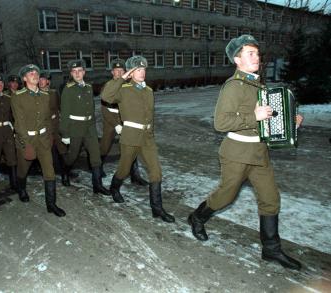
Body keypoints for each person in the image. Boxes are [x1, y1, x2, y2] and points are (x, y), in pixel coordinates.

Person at [187, 35, 302, 270]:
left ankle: (271, 250)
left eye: (257, 53)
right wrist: (254, 117)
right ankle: (197, 217)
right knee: (225, 196)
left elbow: (266, 122)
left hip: (259, 154)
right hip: (236, 153)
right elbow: (221, 122)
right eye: (250, 53)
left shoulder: (257, 85)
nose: (256, 57)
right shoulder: (234, 86)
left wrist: (291, 123)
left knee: (271, 200)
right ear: (237, 59)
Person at [101, 56, 175, 223]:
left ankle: (157, 209)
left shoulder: (148, 91)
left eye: (143, 70)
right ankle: (114, 188)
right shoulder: (123, 89)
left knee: (156, 171)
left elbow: (150, 116)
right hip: (130, 137)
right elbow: (106, 96)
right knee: (124, 169)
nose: (142, 73)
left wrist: (151, 134)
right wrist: (122, 78)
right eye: (137, 70)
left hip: (147, 138)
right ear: (131, 73)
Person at [11, 64, 65, 217]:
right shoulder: (17, 96)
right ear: (24, 78)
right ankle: (21, 189)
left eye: (36, 72)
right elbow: (19, 124)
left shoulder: (45, 95)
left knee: (50, 171)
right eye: (30, 73)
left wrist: (49, 137)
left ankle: (51, 204)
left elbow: (47, 119)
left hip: (43, 139)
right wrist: (26, 144)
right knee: (23, 168)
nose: (34, 75)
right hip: (27, 140)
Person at [59, 59, 110, 195]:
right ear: (71, 73)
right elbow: (64, 114)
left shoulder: (88, 86)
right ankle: (64, 172)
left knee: (96, 157)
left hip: (89, 127)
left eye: (80, 71)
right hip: (75, 128)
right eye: (74, 71)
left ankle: (97, 185)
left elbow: (91, 108)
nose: (77, 73)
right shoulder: (68, 89)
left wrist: (92, 125)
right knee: (72, 156)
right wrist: (64, 134)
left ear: (84, 72)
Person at [99, 58, 148, 186]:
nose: (119, 73)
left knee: (131, 148)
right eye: (116, 71)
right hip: (110, 121)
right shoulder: (108, 86)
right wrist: (116, 125)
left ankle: (135, 175)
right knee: (105, 147)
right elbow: (104, 110)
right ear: (112, 72)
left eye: (122, 70)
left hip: (125, 121)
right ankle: (98, 168)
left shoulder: (129, 86)